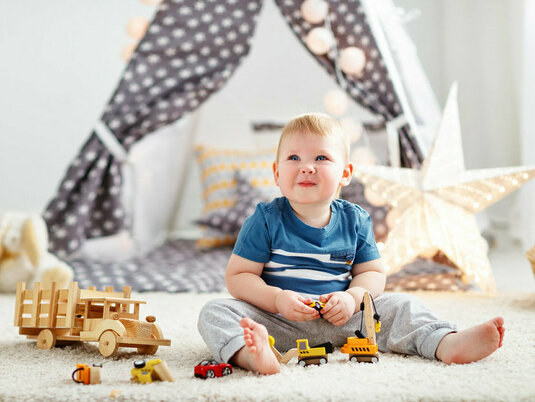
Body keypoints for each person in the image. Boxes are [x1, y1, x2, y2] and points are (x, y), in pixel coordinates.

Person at [197, 113, 505, 374]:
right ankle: (253, 355)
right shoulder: (265, 220)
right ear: (277, 174)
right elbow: (238, 277)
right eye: (294, 158)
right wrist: (277, 300)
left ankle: (445, 342)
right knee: (215, 311)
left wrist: (354, 297)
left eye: (321, 157)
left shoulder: (355, 220)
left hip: (346, 321)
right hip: (279, 323)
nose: (307, 167)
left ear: (345, 173)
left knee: (401, 305)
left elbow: (372, 273)